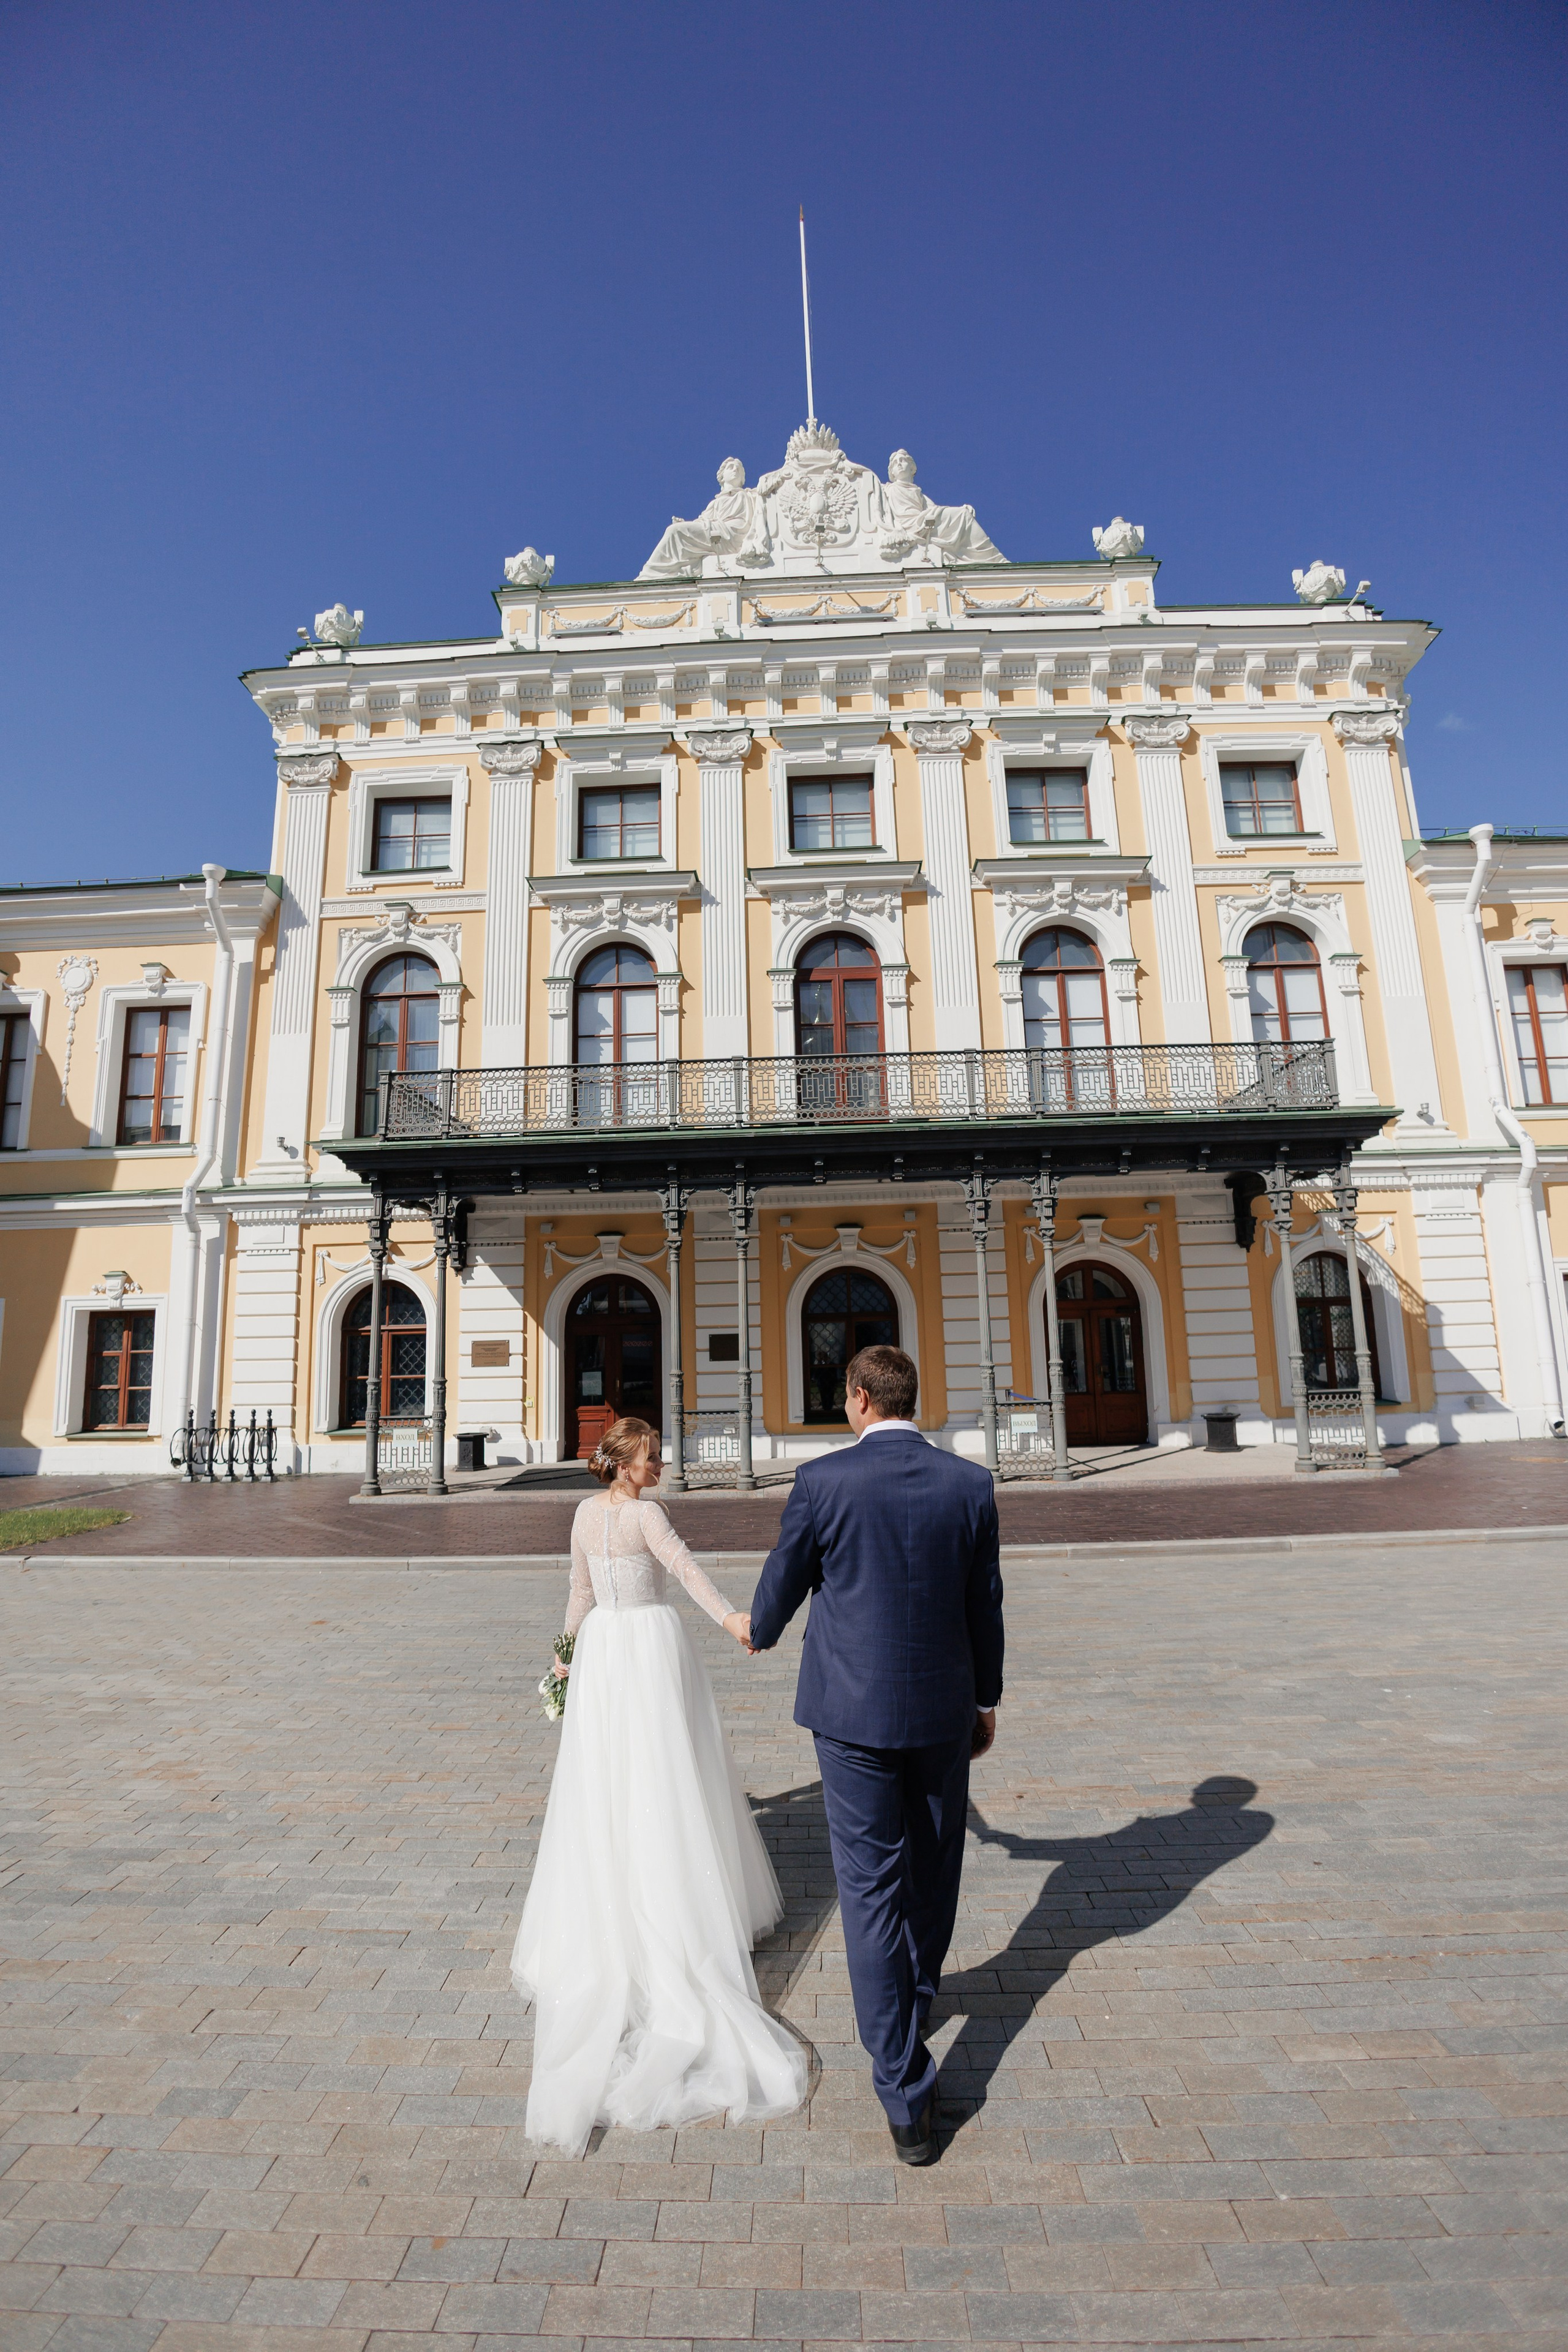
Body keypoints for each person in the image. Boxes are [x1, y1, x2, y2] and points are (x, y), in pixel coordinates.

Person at [511, 1417, 805, 2154]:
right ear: (626, 1464)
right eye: (651, 1457)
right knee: (669, 1768)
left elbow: (578, 1591)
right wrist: (736, 1620)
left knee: (608, 1776)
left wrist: (568, 1658)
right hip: (644, 1644)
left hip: (607, 1648)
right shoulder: (647, 1516)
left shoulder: (582, 1515)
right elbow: (686, 1573)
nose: (661, 1464)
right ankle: (680, 1910)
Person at [745, 1345, 1004, 2166]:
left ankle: (902, 2088)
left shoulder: (823, 1483)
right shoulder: (969, 1485)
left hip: (851, 1716)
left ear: (860, 1399)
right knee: (932, 1869)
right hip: (941, 1710)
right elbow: (984, 1604)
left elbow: (783, 1583)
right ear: (907, 1399)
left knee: (869, 1887)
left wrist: (761, 1625)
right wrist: (986, 1700)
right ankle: (912, 2000)